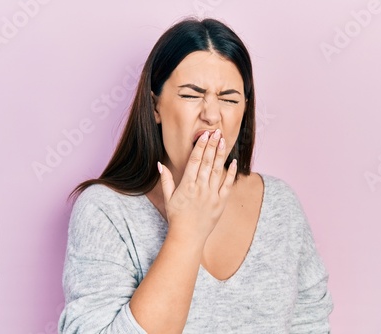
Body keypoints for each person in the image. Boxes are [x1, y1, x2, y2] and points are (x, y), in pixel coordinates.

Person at [58, 17, 333, 334]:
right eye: (191, 95)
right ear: (155, 105)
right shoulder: (105, 211)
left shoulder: (280, 205)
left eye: (229, 99)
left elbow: (311, 323)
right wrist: (186, 231)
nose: (212, 115)